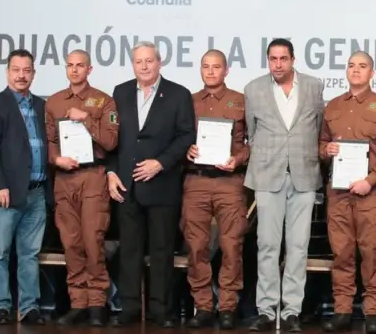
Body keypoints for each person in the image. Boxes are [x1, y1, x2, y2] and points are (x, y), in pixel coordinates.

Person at [107, 41, 196, 328]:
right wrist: (111, 172)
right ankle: (130, 307)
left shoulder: (179, 94)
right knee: (129, 251)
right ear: (133, 65)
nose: (144, 66)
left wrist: (160, 162)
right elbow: (111, 139)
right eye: (139, 62)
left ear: (159, 62)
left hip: (162, 185)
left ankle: (161, 310)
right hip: (127, 186)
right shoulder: (120, 92)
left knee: (161, 251)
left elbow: (185, 136)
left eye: (149, 61)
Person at [244, 38, 325, 332]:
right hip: (267, 175)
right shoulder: (253, 89)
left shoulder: (314, 86)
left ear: (293, 60)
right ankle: (266, 310)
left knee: (298, 247)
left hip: (304, 175)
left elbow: (318, 127)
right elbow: (252, 134)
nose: (278, 64)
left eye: (283, 59)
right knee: (266, 245)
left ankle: (291, 311)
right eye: (272, 59)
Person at [318, 52, 376, 333]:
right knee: (341, 253)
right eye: (351, 66)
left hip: (370, 194)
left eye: (362, 66)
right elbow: (321, 144)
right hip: (338, 193)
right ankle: (342, 310)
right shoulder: (332, 106)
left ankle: (373, 311)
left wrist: (372, 180)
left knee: (372, 252)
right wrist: (326, 150)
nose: (356, 70)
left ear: (372, 73)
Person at [44, 50, 119, 327]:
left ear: (90, 69)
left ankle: (98, 303)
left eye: (80, 66)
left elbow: (111, 142)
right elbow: (50, 140)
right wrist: (55, 159)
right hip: (65, 178)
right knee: (71, 243)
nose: (74, 70)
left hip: (92, 177)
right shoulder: (53, 102)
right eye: (70, 66)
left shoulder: (103, 100)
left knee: (92, 241)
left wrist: (85, 117)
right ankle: (78, 302)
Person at [0, 49, 51, 325]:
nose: (21, 75)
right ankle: (0, 305)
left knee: (29, 254)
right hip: (6, 193)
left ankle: (29, 306)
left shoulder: (42, 106)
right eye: (16, 70)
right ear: (7, 72)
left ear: (33, 73)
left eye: (26, 70)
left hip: (37, 191)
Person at [183, 50, 249, 330]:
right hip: (196, 181)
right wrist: (186, 149)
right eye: (206, 67)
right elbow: (177, 137)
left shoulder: (242, 102)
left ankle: (228, 306)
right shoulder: (189, 102)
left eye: (216, 67)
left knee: (231, 245)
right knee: (196, 246)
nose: (211, 72)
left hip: (229, 182)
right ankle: (203, 305)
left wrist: (239, 159)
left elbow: (254, 142)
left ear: (227, 70)